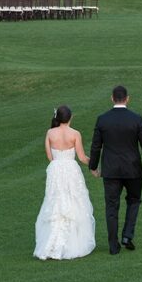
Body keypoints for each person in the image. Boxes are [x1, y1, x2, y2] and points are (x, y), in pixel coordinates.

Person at [89, 85, 142, 255]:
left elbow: (96, 146)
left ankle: (114, 246)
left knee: (111, 207)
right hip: (133, 170)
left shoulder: (102, 119)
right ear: (127, 98)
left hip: (111, 170)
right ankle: (127, 235)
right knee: (134, 201)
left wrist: (93, 166)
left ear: (112, 98)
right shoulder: (136, 119)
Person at [34, 106, 95, 260]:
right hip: (71, 169)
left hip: (55, 170)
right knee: (74, 201)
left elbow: (50, 156)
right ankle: (72, 242)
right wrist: (93, 165)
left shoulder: (50, 133)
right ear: (70, 117)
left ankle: (51, 243)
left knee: (55, 202)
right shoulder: (75, 134)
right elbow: (81, 157)